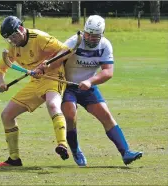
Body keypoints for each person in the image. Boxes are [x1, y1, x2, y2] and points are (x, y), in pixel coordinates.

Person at [61, 15, 143, 166]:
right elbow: (56, 59)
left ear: (102, 34)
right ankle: (75, 150)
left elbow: (108, 72)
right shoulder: (74, 42)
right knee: (71, 116)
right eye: (88, 34)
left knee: (106, 116)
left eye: (95, 35)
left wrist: (89, 81)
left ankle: (126, 153)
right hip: (68, 87)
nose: (90, 38)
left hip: (88, 87)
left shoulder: (105, 45)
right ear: (84, 31)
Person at [0, 16, 71, 166]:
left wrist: (45, 65)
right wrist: (1, 82)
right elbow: (1, 68)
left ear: (21, 29)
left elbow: (65, 51)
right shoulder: (14, 48)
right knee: (6, 115)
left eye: (14, 36)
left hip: (54, 77)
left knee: (53, 105)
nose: (13, 41)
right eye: (9, 39)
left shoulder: (39, 37)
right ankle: (14, 159)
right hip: (35, 81)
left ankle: (62, 144)